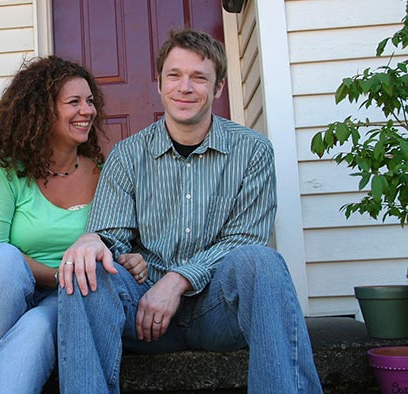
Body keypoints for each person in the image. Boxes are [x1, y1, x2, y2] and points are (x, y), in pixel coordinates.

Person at [56, 29, 323, 393]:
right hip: (144, 312)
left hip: (217, 312)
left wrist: (177, 279)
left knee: (262, 261)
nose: (185, 87)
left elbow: (245, 238)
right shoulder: (127, 155)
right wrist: (111, 250)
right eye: (174, 75)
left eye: (199, 77)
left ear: (218, 89)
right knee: (84, 269)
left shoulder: (253, 151)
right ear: (159, 83)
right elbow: (109, 236)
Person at [0, 56, 149, 393]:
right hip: (11, 294)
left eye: (90, 101)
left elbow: (120, 238)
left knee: (37, 327)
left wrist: (128, 258)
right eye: (74, 102)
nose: (88, 110)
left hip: (72, 299)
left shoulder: (105, 173)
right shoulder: (3, 173)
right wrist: (60, 272)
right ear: (41, 111)